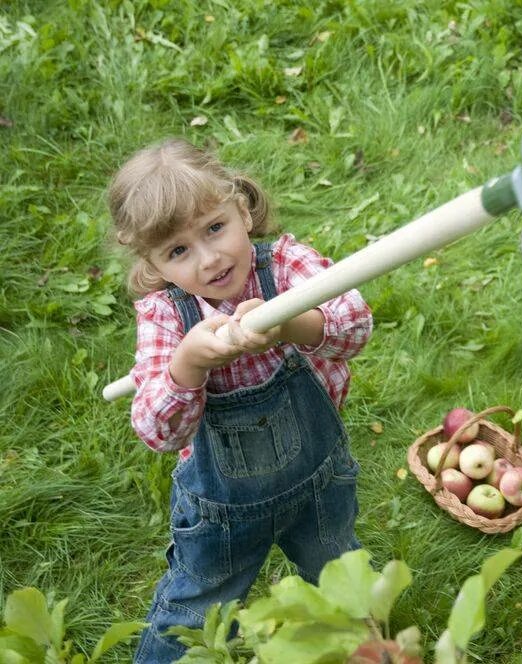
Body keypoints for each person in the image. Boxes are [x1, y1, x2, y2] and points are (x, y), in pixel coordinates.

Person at [108, 138, 374, 663]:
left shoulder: (285, 267)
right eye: (178, 251)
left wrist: (288, 324)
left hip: (320, 482)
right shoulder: (167, 316)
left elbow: (356, 330)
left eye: (214, 228)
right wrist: (190, 363)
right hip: (221, 512)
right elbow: (158, 432)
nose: (209, 259)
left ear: (242, 209)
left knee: (341, 574)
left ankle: (367, 647)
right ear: (153, 262)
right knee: (199, 610)